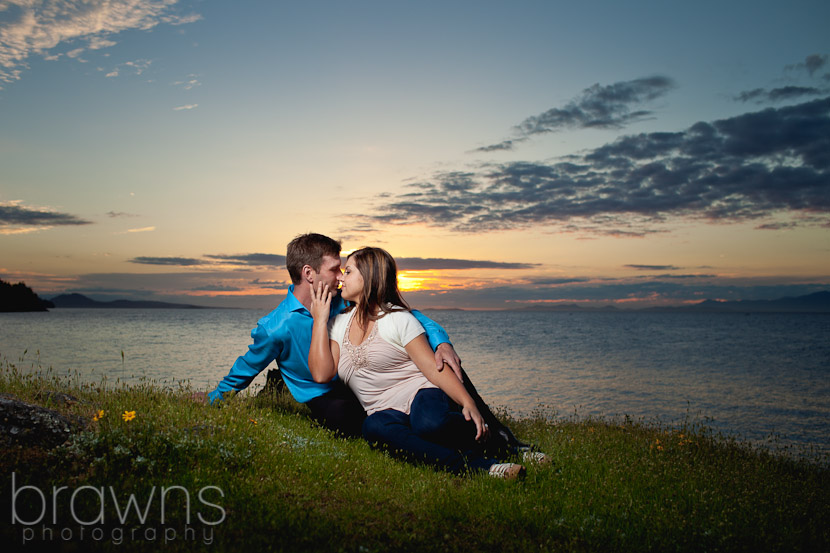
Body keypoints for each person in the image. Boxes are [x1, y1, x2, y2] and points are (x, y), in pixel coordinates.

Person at [199, 233, 523, 450]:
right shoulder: (276, 326)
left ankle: (500, 434)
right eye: (335, 269)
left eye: (344, 270)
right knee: (366, 426)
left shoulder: (345, 300)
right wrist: (214, 398)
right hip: (327, 394)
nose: (341, 277)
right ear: (309, 274)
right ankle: (449, 440)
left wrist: (441, 341)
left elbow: (405, 316)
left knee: (440, 362)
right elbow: (246, 368)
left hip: (366, 379)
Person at [308, 246, 538, 479]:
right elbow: (321, 374)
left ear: (369, 277)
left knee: (428, 423)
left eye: (347, 272)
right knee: (373, 428)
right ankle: (483, 467)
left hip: (420, 394)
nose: (340, 278)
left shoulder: (397, 319)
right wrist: (319, 320)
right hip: (383, 410)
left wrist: (467, 401)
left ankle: (497, 441)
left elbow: (432, 368)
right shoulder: (337, 325)